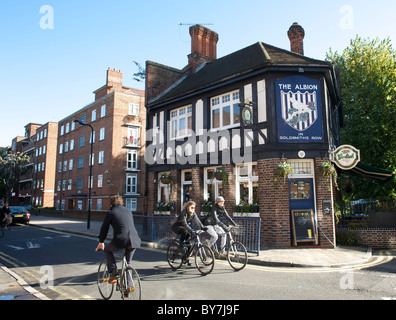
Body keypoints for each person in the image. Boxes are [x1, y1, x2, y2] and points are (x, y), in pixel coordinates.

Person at [95, 195, 141, 284]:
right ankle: (128, 287)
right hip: (134, 240)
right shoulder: (128, 211)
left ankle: (114, 272)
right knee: (128, 263)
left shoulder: (111, 212)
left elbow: (104, 228)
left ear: (111, 203)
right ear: (121, 202)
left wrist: (101, 241)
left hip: (121, 240)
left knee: (107, 250)